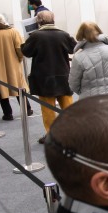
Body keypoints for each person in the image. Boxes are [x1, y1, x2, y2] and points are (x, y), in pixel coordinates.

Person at [21, 10, 76, 140]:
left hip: (43, 76)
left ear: (38, 22)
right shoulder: (64, 34)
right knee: (67, 106)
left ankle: (52, 135)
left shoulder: (35, 36)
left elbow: (27, 52)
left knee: (48, 109)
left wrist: (24, 42)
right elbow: (73, 48)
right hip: (63, 75)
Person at [0, 13, 32, 120]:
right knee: (18, 87)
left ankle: (8, 113)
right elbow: (19, 48)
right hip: (14, 65)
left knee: (1, 89)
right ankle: (27, 109)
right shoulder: (13, 31)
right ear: (4, 21)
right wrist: (19, 59)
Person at [68, 21, 108, 98]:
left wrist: (85, 92)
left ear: (81, 34)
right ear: (99, 31)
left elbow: (73, 84)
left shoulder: (78, 57)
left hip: (91, 100)